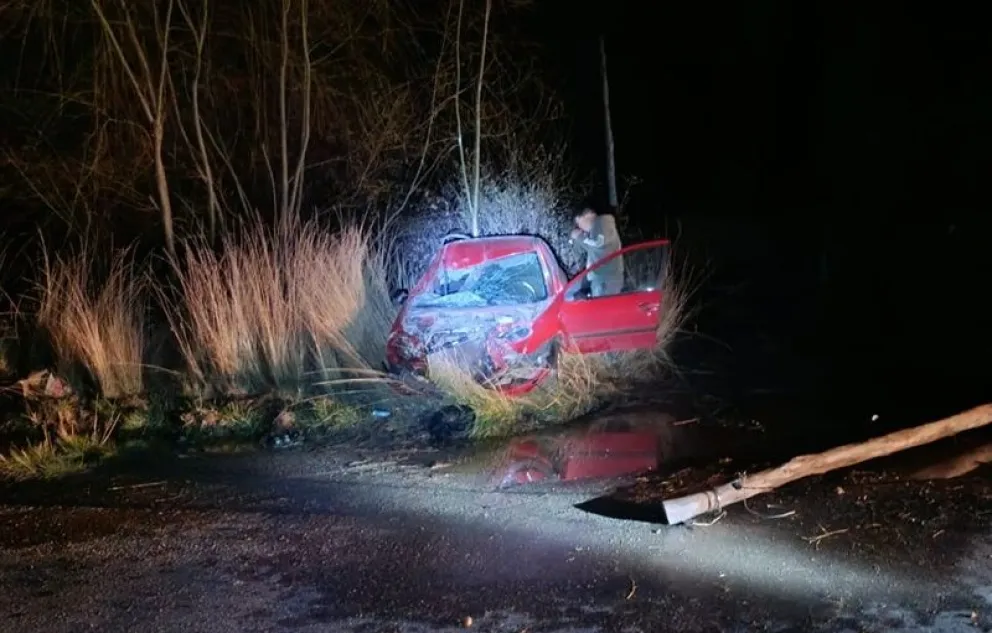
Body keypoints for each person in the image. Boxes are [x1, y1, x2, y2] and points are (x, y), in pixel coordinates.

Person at [569, 208, 624, 297]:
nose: (580, 227)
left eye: (578, 223)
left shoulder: (602, 222)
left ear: (587, 215)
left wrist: (579, 237)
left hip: (605, 281)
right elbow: (589, 248)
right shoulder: (597, 229)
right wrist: (577, 240)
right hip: (602, 280)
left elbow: (599, 245)